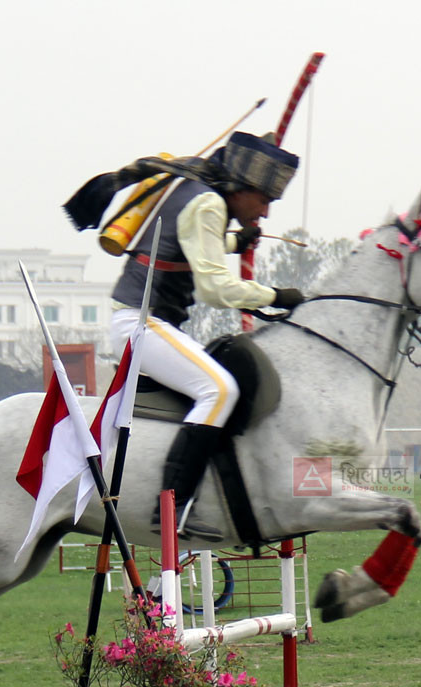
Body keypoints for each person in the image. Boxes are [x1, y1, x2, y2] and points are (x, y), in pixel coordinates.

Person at [64, 132, 306, 541]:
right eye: (263, 199)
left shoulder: (196, 193)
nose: (264, 211)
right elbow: (216, 289)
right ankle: (171, 509)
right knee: (220, 391)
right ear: (241, 188)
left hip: (146, 322)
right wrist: (277, 295)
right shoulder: (209, 202)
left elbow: (189, 243)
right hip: (143, 324)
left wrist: (233, 241)